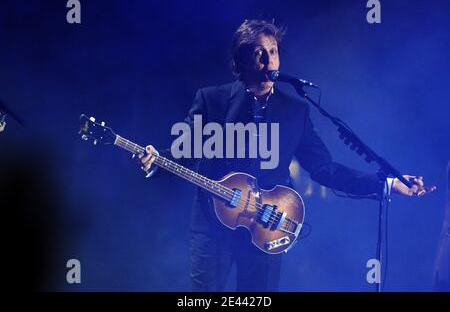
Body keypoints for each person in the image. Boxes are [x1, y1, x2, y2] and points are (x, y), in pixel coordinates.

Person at [138, 19, 436, 291]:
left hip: (267, 227)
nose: (269, 60)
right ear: (241, 59)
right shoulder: (212, 100)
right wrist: (156, 161)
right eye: (259, 53)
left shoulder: (295, 110)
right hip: (213, 227)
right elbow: (185, 153)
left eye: (274, 51)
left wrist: (383, 182)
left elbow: (324, 168)